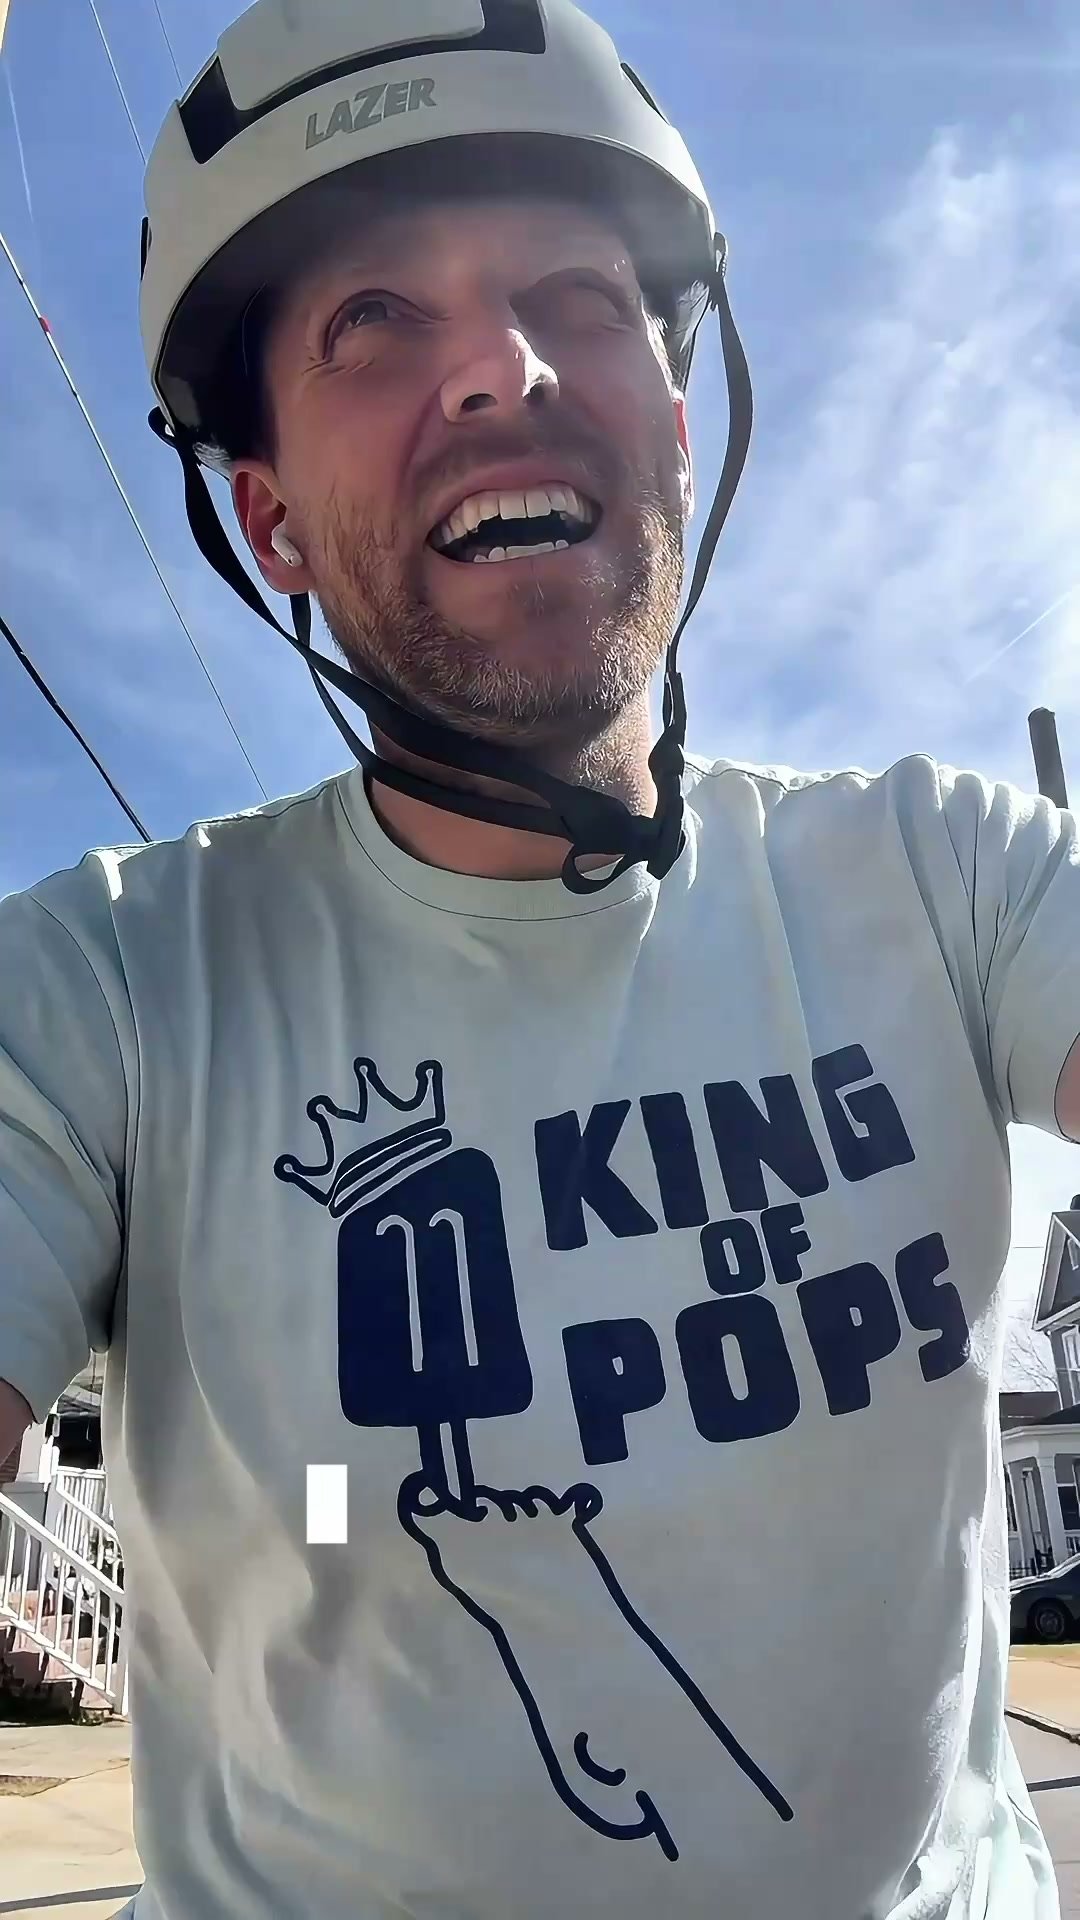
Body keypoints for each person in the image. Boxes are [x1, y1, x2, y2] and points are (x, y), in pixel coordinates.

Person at [0, 1, 1069, 1914]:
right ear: (269, 524)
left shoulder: (948, 874)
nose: (502, 365)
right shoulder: (101, 992)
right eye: (373, 322)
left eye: (576, 294)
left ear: (680, 414)